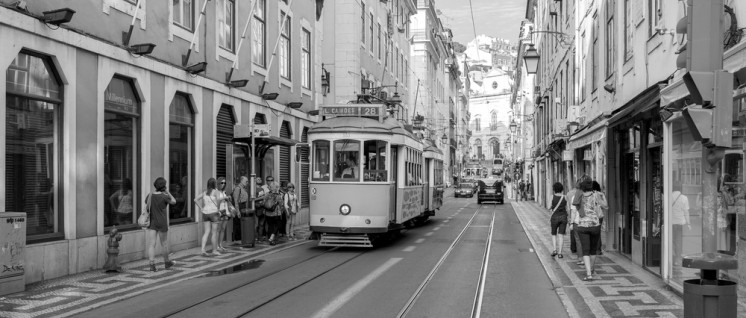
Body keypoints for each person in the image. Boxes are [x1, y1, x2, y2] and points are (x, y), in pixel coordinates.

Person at [571, 179, 608, 281]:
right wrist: (601, 196)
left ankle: (589, 274)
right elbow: (606, 206)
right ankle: (591, 269)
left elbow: (575, 205)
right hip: (595, 225)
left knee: (585, 251)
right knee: (593, 250)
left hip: (582, 225)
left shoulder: (579, 195)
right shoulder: (597, 195)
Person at [145, 177, 176, 272]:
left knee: (152, 244)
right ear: (163, 186)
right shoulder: (164, 196)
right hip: (162, 222)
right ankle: (167, 263)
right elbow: (174, 201)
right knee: (164, 244)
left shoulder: (150, 195)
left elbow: (146, 203)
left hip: (152, 222)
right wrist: (168, 192)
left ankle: (152, 265)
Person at [197, 178, 226, 256]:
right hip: (214, 213)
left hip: (205, 213)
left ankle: (203, 250)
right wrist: (218, 209)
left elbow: (195, 199)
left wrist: (201, 208)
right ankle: (214, 250)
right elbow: (219, 201)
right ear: (214, 184)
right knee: (214, 233)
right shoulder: (216, 192)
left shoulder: (204, 192)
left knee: (206, 232)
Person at [671, 183, 690, 267]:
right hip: (680, 222)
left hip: (671, 222)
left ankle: (671, 257)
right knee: (678, 241)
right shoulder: (684, 198)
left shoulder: (669, 196)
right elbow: (686, 212)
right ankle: (677, 259)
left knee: (671, 241)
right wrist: (689, 223)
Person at [549, 182, 568, 259]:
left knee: (554, 234)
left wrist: (552, 206)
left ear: (554, 189)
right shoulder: (565, 197)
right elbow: (568, 208)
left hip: (554, 217)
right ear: (561, 189)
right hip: (563, 217)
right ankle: (560, 253)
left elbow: (548, 206)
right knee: (561, 235)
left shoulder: (552, 197)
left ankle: (554, 250)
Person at [232, 176, 251, 241]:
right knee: (238, 223)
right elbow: (236, 201)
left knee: (241, 223)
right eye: (246, 181)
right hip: (239, 206)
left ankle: (241, 238)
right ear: (242, 181)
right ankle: (237, 239)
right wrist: (237, 211)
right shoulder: (238, 188)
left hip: (243, 206)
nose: (247, 182)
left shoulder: (243, 188)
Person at [215, 177, 231, 252]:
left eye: (224, 183)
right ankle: (216, 246)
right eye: (222, 183)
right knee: (218, 229)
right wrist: (224, 198)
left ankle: (220, 244)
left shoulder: (223, 192)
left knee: (223, 229)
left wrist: (228, 199)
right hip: (219, 211)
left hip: (225, 211)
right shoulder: (216, 191)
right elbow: (216, 202)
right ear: (218, 183)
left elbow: (226, 202)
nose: (223, 184)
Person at [592, 181, 607, 255]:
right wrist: (602, 197)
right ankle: (598, 250)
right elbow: (606, 205)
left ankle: (593, 249)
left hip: (592, 215)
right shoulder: (600, 194)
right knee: (598, 233)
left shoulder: (589, 194)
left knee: (592, 232)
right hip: (600, 215)